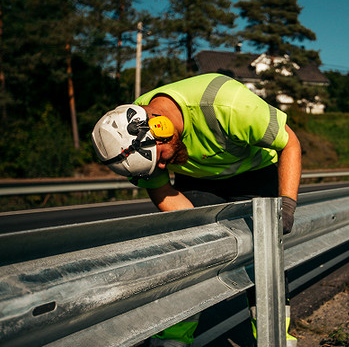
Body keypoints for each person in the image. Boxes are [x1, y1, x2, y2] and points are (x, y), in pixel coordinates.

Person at [91, 73, 301, 346]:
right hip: (197, 177)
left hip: (254, 172)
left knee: (265, 255)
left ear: (162, 128)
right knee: (188, 253)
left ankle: (275, 338)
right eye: (154, 168)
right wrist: (198, 237)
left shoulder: (228, 104)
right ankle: (173, 338)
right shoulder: (136, 128)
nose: (162, 170)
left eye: (162, 160)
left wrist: (285, 206)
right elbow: (164, 191)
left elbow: (290, 142)